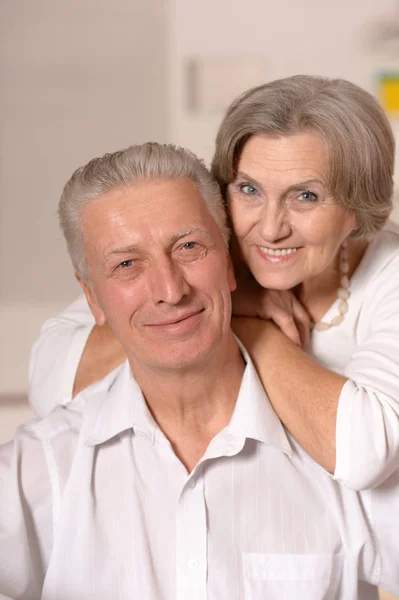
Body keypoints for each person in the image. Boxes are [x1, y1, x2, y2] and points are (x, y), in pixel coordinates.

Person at [2, 142, 399, 600]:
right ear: (92, 298)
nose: (170, 290)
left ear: (231, 264)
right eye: (127, 264)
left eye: (189, 247)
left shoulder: (338, 457)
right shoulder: (44, 469)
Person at [29, 75, 399, 492]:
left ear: (358, 202)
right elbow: (51, 380)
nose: (271, 228)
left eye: (306, 196)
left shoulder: (390, 274)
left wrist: (246, 327)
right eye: (249, 189)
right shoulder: (204, 248)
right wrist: (215, 300)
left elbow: (366, 452)